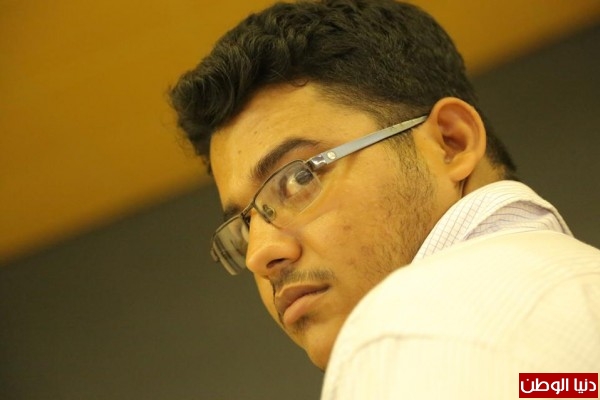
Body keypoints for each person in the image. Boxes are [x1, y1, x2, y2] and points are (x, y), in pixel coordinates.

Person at [169, 0, 600, 398]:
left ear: (451, 142)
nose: (259, 255)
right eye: (246, 225)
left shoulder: (409, 331)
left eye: (299, 178)